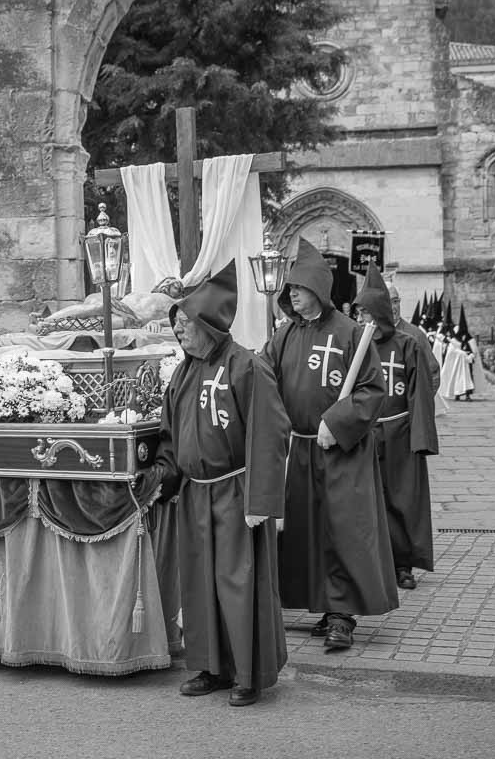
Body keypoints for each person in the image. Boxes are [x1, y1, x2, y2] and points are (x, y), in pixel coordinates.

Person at [147, 261, 289, 706]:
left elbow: (271, 432)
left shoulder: (248, 366)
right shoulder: (183, 372)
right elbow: (171, 434)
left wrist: (260, 498)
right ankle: (210, 666)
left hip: (235, 492)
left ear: (210, 323)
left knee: (237, 582)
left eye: (186, 324)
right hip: (195, 493)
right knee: (201, 582)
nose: (179, 333)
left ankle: (247, 673)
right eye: (176, 325)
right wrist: (163, 480)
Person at [259, 241, 397, 653]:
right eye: (290, 290)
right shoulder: (284, 335)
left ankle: (341, 616)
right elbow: (263, 378)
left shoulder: (351, 333)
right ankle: (322, 603)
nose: (293, 295)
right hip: (298, 450)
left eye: (299, 288)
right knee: (307, 531)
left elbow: (373, 390)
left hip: (340, 452)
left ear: (318, 288)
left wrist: (336, 422)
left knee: (341, 530)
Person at [354, 264, 438, 591]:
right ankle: (377, 562)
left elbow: (422, 391)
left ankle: (403, 564)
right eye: (361, 314)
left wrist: (420, 436)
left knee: (403, 500)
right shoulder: (357, 343)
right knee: (371, 500)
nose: (364, 320)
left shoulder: (409, 343)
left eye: (368, 313)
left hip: (400, 432)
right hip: (367, 433)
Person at [390, 284, 440, 393]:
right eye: (387, 302)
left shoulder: (415, 335)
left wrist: (420, 404)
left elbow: (433, 373)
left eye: (395, 301)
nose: (393, 307)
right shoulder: (372, 335)